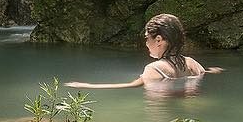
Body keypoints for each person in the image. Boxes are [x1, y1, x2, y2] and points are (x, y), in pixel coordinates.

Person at [66, 14, 222, 90]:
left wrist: (87, 85)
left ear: (159, 40)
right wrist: (212, 71)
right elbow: (201, 74)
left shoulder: (155, 69)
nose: (146, 44)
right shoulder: (192, 63)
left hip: (163, 114)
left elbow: (130, 86)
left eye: (148, 39)